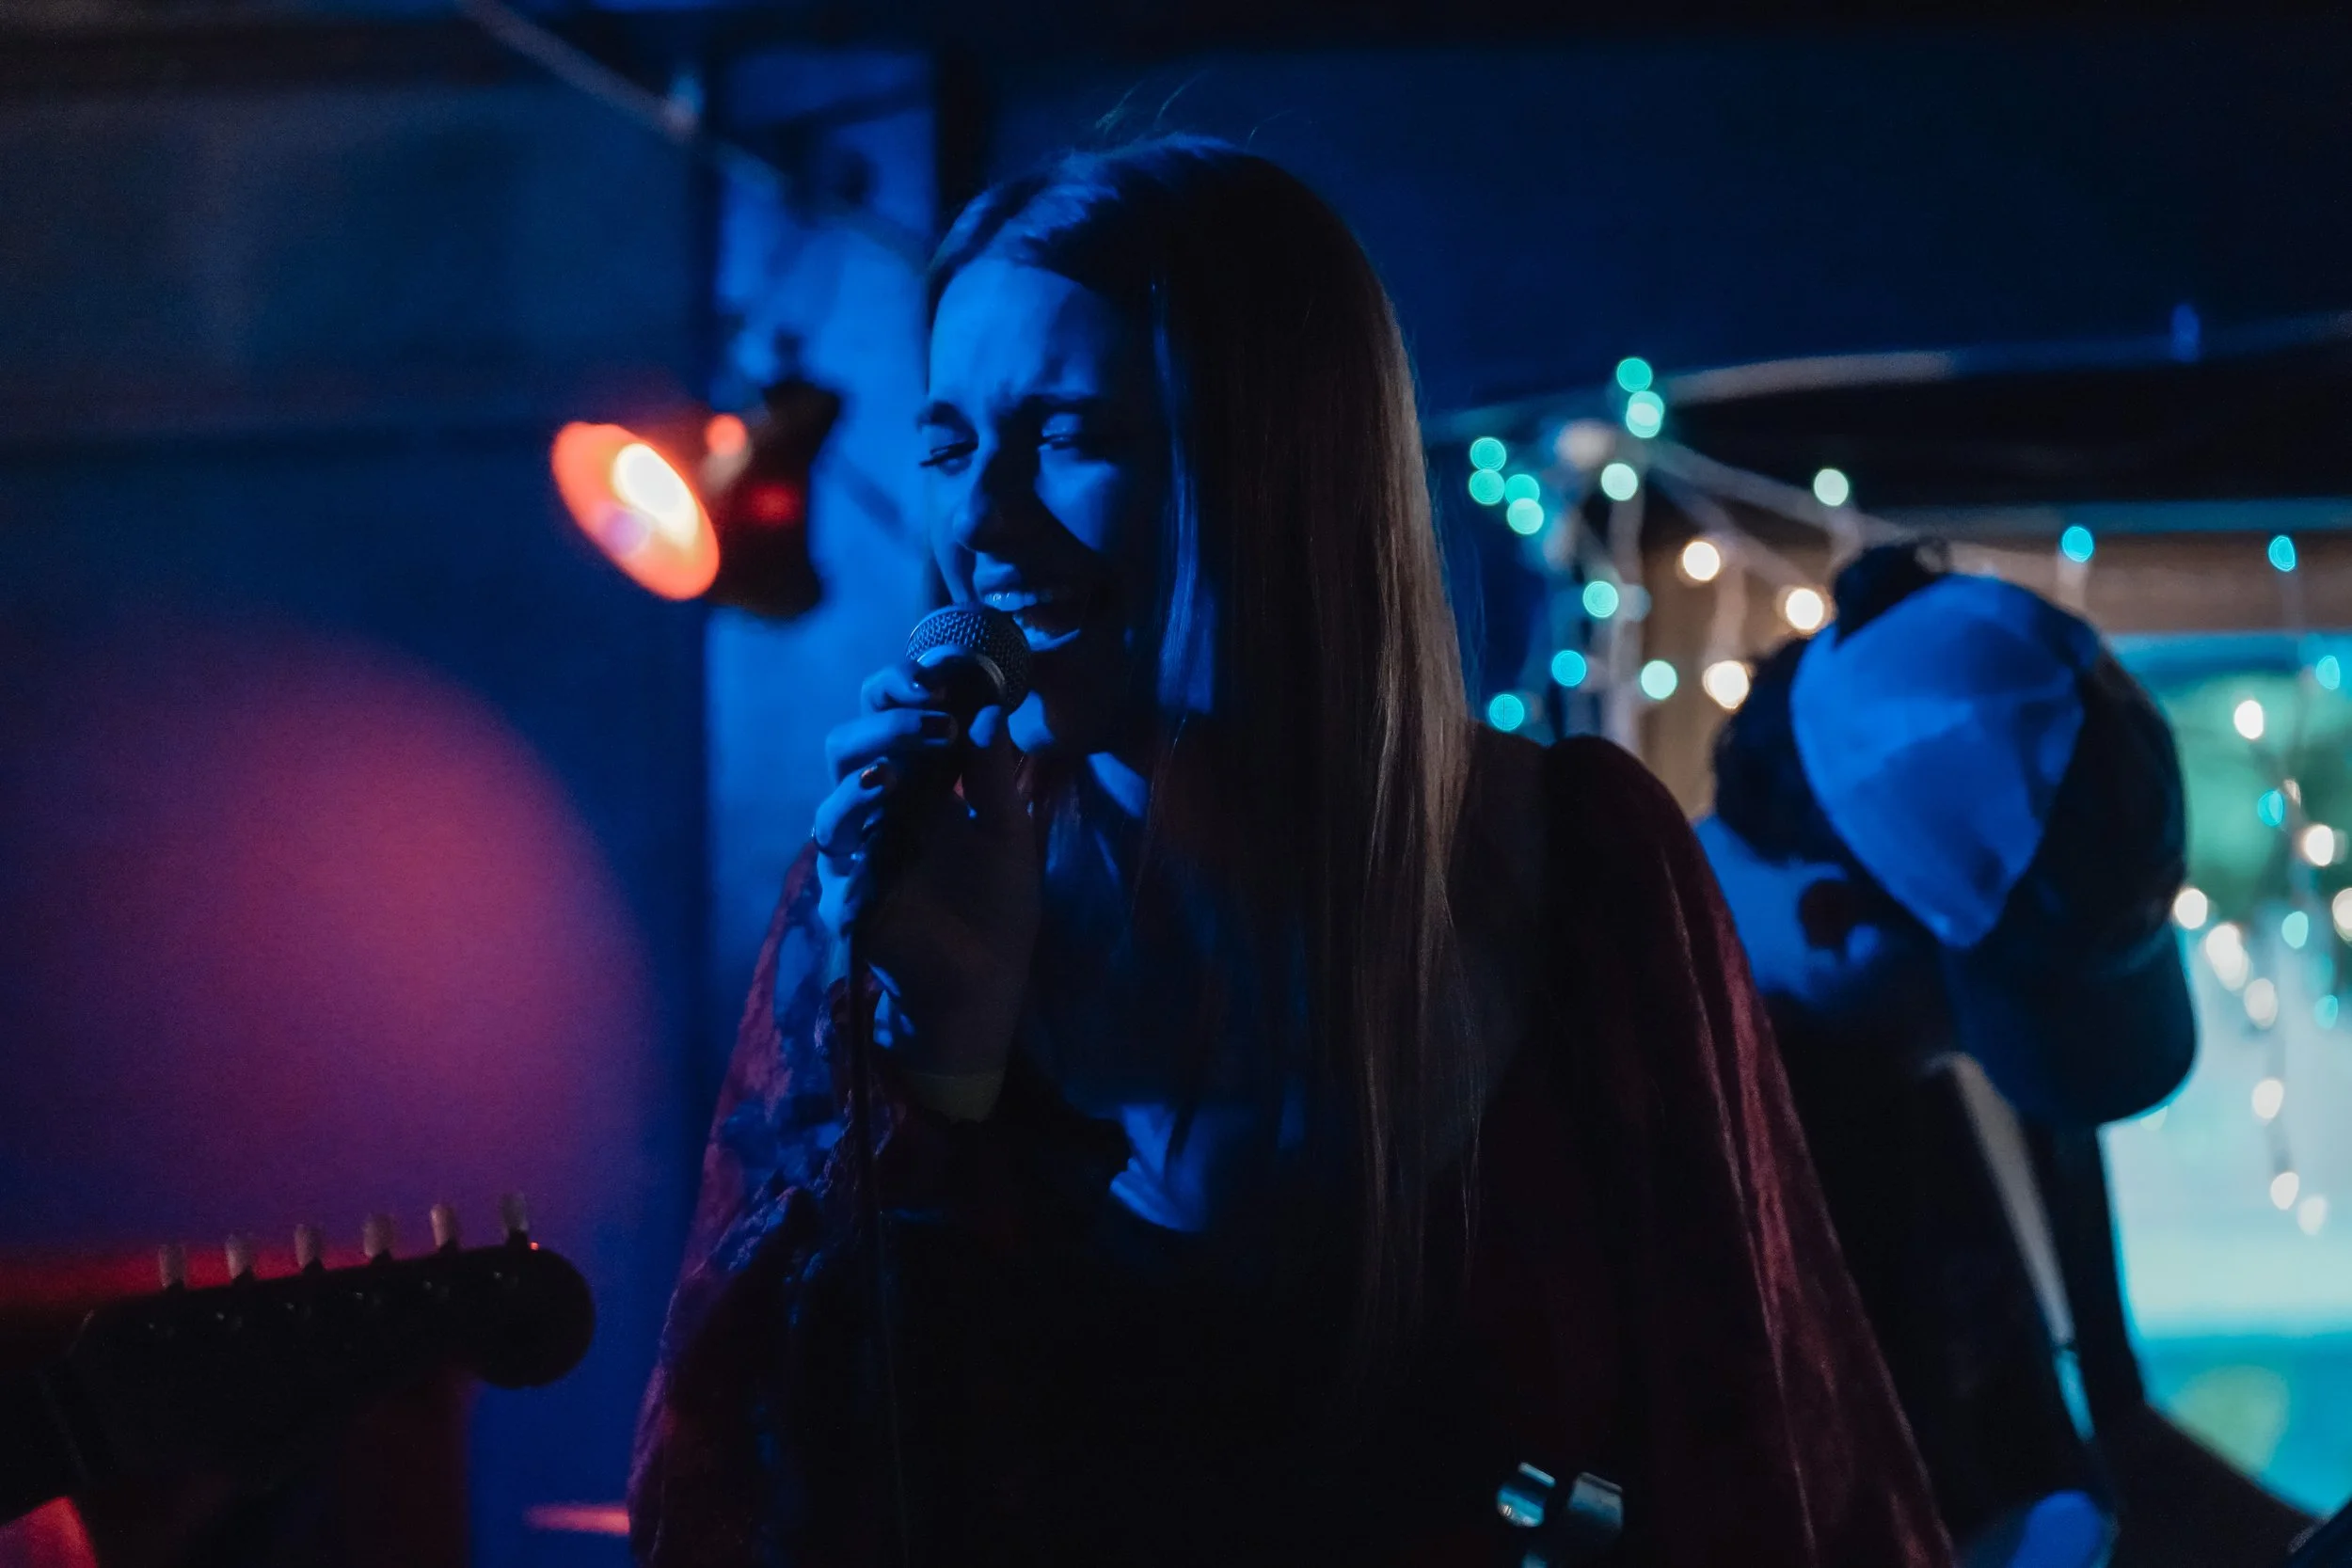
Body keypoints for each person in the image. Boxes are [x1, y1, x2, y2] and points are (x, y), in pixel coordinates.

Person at [628, 137, 1949, 1567]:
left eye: (1070, 435)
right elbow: (769, 1501)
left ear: (1278, 465)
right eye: (951, 446)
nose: (983, 523)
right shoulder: (894, 893)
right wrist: (935, 1069)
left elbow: (1761, 1454)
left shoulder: (1583, 866)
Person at [1701, 542, 2316, 1568]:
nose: (1998, 1062)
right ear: (1837, 918)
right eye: (1995, 1011)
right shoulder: (1659, 1121)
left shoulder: (1969, 1056)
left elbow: (2117, 1447)